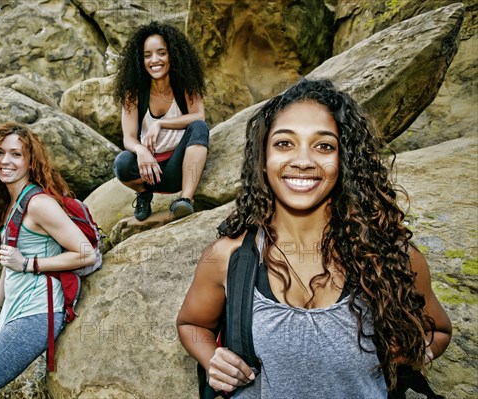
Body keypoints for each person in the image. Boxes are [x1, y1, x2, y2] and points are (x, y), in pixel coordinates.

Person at [176, 79, 452, 397]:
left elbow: (439, 330)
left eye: (324, 146)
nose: (304, 161)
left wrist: (418, 351)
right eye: (284, 144)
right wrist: (212, 358)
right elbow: (192, 325)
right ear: (262, 160)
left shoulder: (395, 256)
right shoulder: (227, 257)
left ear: (344, 160)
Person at [0, 122, 97, 399]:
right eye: (0, 153)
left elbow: (86, 253)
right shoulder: (12, 206)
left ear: (30, 161)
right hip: (11, 315)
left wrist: (29, 264)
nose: (6, 161)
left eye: (16, 154)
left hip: (37, 315)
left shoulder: (39, 204)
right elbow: (9, 263)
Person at [113, 21, 209, 221]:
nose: (154, 60)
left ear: (172, 55)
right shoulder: (134, 93)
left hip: (179, 167)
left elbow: (199, 116)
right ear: (140, 60)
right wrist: (141, 151)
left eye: (161, 53)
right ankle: (143, 193)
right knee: (122, 163)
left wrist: (160, 124)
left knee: (199, 128)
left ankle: (185, 201)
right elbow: (129, 138)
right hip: (149, 172)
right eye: (147, 55)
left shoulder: (185, 83)